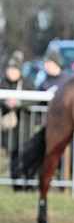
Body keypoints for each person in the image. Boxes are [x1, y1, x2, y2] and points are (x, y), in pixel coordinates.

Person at [1, 51, 37, 187]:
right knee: (13, 156)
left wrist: (19, 103)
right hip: (10, 130)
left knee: (27, 155)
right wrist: (6, 102)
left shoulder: (28, 83)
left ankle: (29, 183)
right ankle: (15, 183)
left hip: (25, 127)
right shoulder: (3, 83)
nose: (10, 72)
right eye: (9, 69)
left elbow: (35, 100)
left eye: (13, 69)